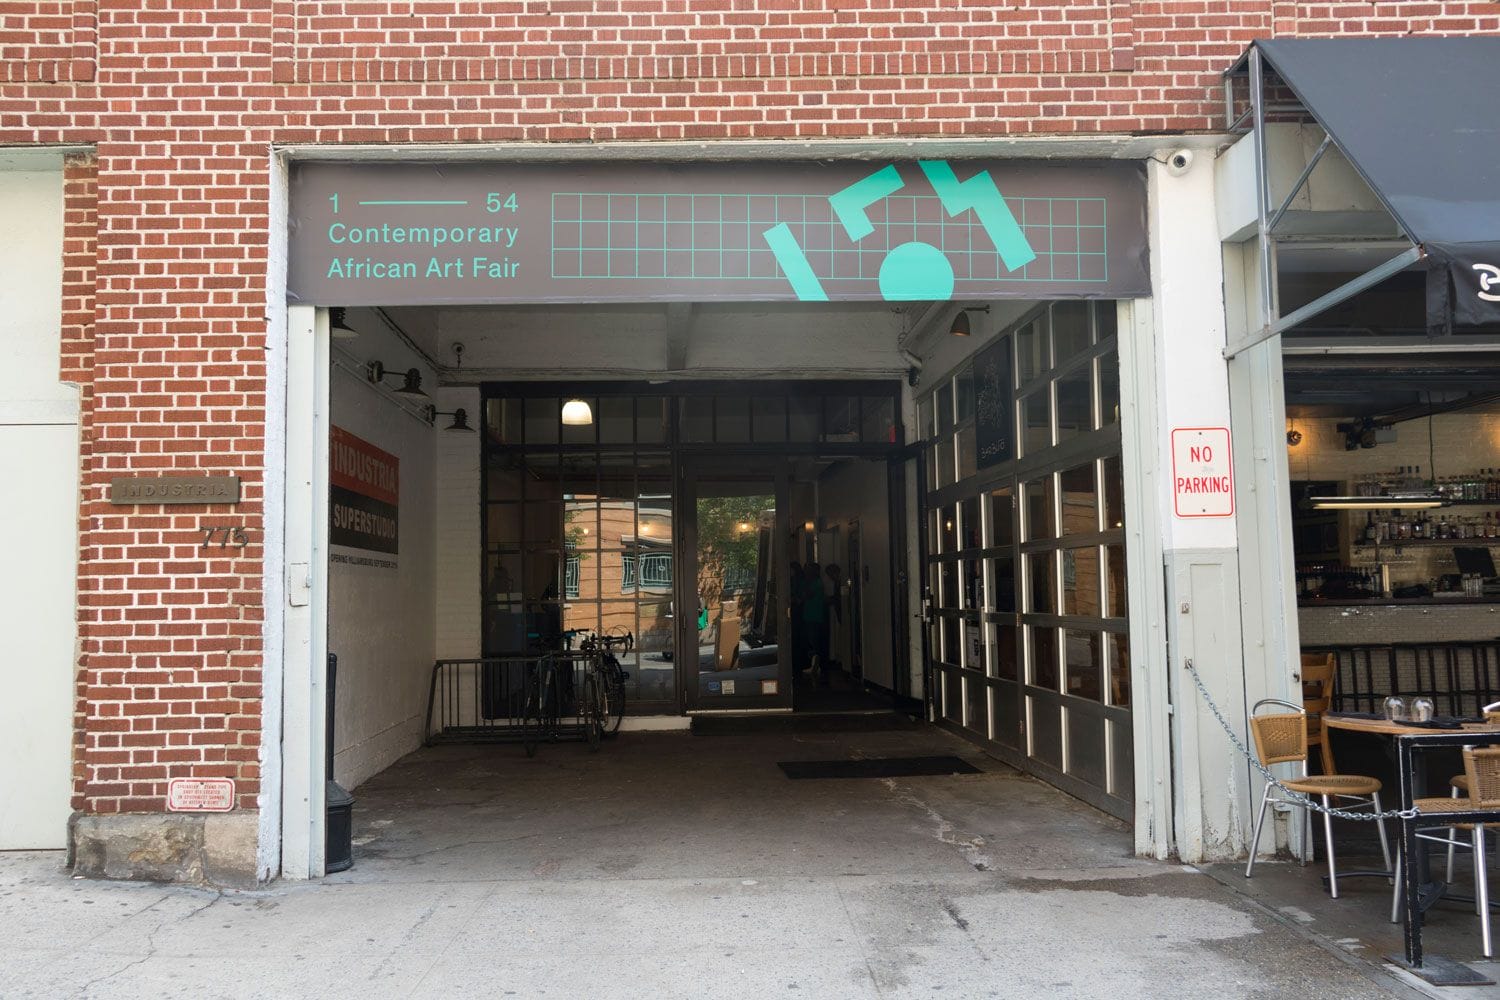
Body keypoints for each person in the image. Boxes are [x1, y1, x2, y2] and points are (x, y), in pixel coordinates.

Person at [801, 562, 828, 684]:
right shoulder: (815, 582)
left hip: (814, 616)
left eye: (808, 570)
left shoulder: (816, 583)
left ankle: (816, 666)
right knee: (811, 641)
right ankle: (814, 665)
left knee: (814, 641)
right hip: (810, 616)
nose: (805, 572)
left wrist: (805, 583)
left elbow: (807, 595)